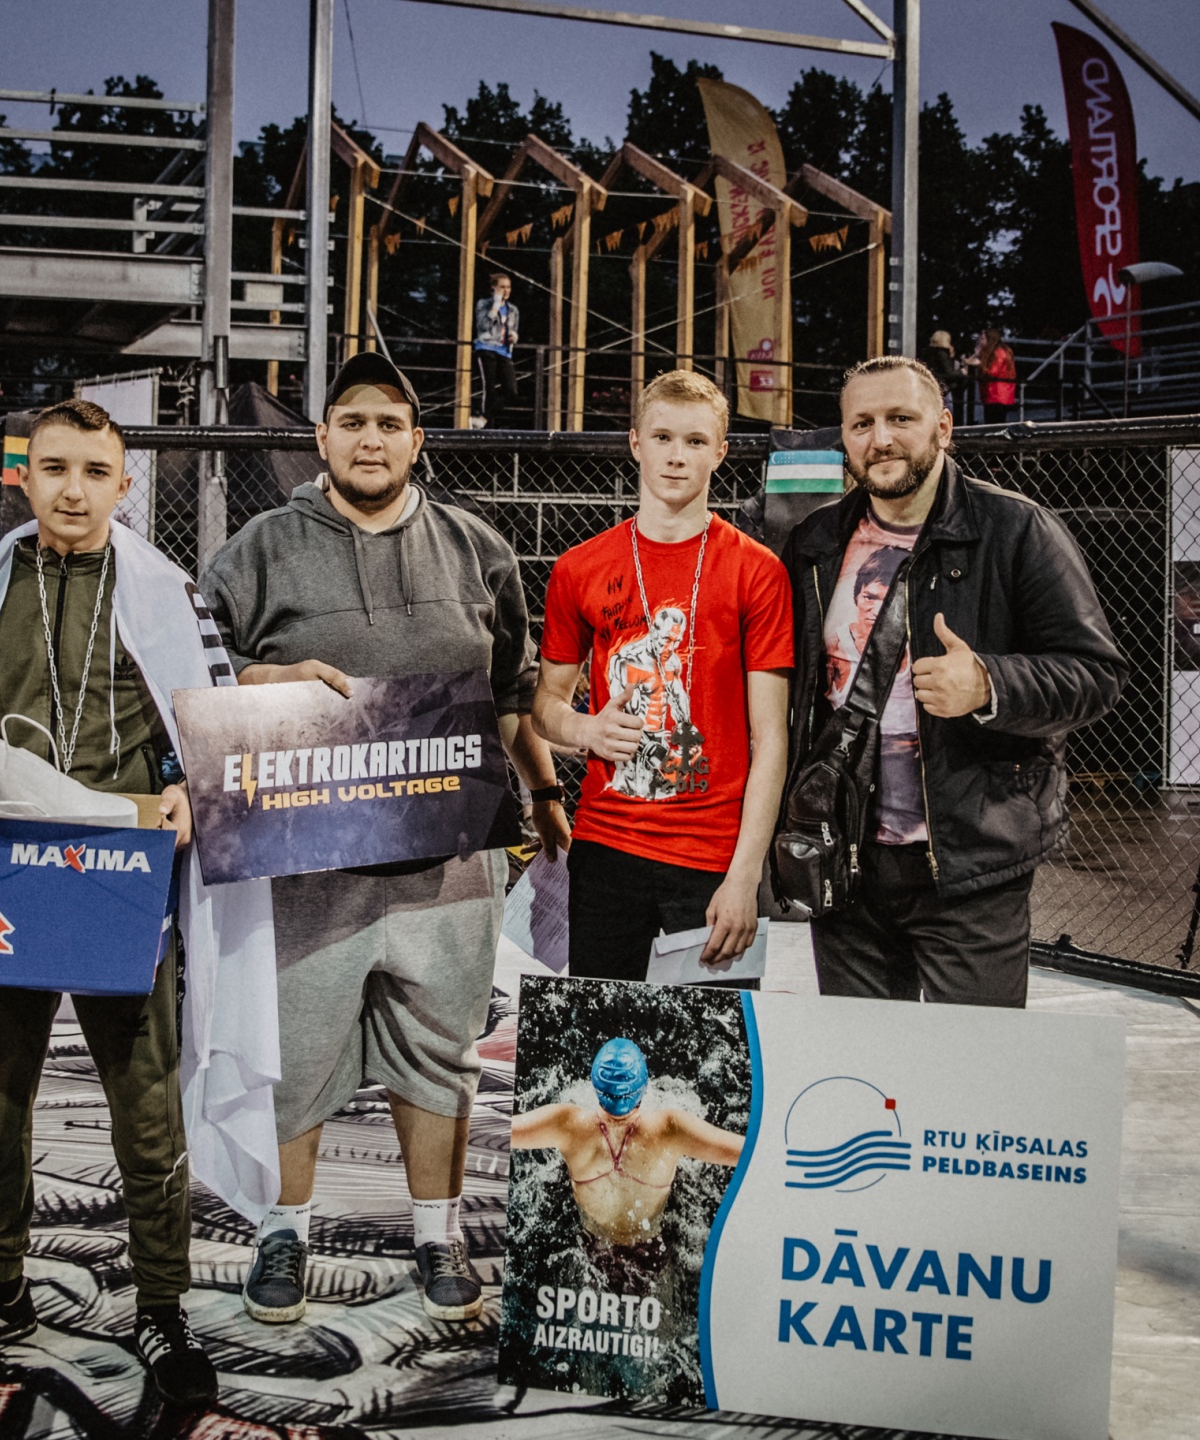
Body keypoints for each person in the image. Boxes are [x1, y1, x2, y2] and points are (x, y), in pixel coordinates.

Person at [0, 399, 279, 1407]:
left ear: (124, 485)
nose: (72, 490)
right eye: (54, 469)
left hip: (120, 874)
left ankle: (160, 1307)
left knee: (144, 1104)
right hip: (9, 868)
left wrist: (191, 786)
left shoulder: (164, 590)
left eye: (94, 472)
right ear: (23, 476)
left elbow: (208, 712)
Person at [202, 348, 568, 1327]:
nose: (371, 440)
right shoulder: (258, 549)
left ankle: (438, 1235)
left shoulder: (476, 547)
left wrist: (543, 791)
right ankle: (284, 1235)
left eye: (390, 424)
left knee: (440, 1048)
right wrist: (256, 681)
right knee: (294, 1050)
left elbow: (512, 691)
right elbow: (193, 675)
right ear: (321, 436)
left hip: (449, 855)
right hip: (303, 860)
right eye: (353, 422)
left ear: (417, 440)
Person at [781, 355, 1122, 1006]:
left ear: (943, 427)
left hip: (970, 866)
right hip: (846, 859)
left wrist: (990, 683)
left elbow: (1097, 673)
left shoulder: (1016, 528)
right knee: (865, 1060)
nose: (880, 438)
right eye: (862, 424)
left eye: (900, 419)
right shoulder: (815, 541)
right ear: (844, 437)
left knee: (974, 1063)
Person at [532, 369, 793, 982]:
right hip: (607, 846)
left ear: (720, 452)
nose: (677, 456)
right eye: (663, 438)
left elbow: (770, 739)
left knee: (708, 1037)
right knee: (597, 1033)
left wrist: (745, 875)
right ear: (636, 444)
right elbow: (545, 704)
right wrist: (585, 730)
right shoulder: (578, 568)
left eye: (695, 441)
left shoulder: (757, 571)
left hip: (712, 856)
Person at [511, 1038, 744, 1288]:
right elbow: (744, 1152)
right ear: (643, 1087)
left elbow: (499, 1129)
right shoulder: (670, 1130)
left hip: (591, 1253)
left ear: (595, 1085)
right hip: (650, 1257)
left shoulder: (568, 1125)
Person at [473, 273, 522, 427]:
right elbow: (483, 326)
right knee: (489, 387)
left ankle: (483, 418)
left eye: (508, 287)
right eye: (502, 287)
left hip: (504, 351)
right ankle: (484, 420)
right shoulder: (483, 304)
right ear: (494, 288)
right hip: (486, 348)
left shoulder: (512, 309)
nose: (506, 290)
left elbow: (514, 329)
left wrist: (514, 336)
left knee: (511, 391)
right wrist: (495, 305)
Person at [971, 326, 1017, 424]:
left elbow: (993, 372)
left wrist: (980, 365)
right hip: (995, 393)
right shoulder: (997, 351)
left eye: (983, 338)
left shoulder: (998, 353)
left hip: (996, 393)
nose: (980, 340)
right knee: (994, 421)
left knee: (994, 421)